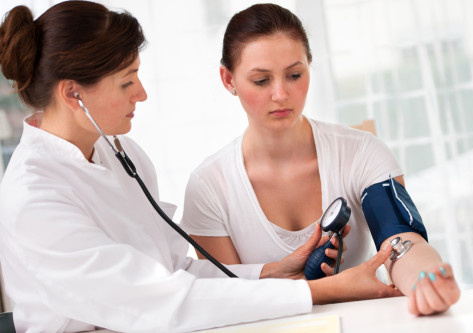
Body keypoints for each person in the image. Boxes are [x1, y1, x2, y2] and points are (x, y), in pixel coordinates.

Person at [0, 2, 403, 332]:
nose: (142, 94)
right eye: (127, 82)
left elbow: (172, 271)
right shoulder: (34, 197)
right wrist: (322, 291)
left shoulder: (122, 154)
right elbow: (162, 301)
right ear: (73, 94)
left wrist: (270, 272)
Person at [181, 3, 460, 316]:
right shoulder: (208, 186)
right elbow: (227, 298)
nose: (281, 94)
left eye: (295, 74)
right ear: (228, 80)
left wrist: (425, 280)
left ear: (310, 65)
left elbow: (400, 241)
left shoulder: (361, 151)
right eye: (261, 80)